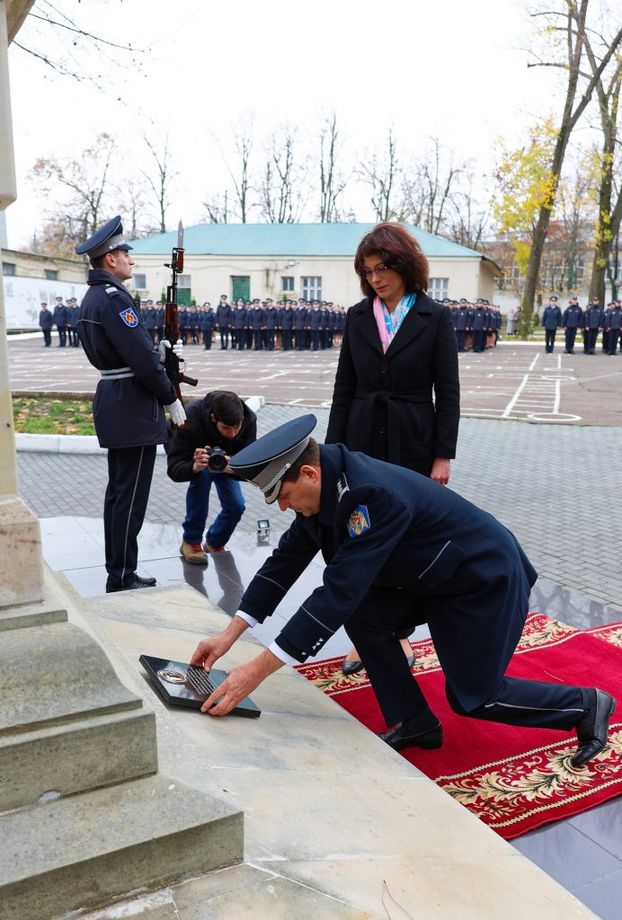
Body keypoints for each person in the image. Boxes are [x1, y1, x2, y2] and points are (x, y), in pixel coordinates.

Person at [190, 415, 616, 770]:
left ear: (308, 473)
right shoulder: (321, 491)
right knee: (364, 616)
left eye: (281, 496)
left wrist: (257, 670)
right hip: (428, 577)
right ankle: (414, 722)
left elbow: (338, 589)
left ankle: (585, 705)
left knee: (474, 698)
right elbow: (282, 565)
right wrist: (228, 636)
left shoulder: (372, 495)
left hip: (481, 580)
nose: (282, 508)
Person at [325, 221, 460, 675]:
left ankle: (399, 634)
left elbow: (449, 390)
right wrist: (332, 453)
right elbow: (344, 387)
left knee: (404, 539)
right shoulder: (358, 316)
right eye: (367, 271)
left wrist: (443, 455)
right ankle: (366, 636)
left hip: (413, 439)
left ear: (404, 265)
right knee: (361, 536)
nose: (375, 279)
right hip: (361, 437)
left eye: (382, 268)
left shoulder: (434, 317)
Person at [76, 215, 186, 592]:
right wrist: (170, 397)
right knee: (130, 497)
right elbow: (139, 358)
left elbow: (131, 350)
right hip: (131, 407)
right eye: (125, 253)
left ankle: (120, 569)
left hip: (118, 402)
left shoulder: (94, 297)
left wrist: (162, 350)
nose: (130, 260)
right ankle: (122, 575)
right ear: (110, 258)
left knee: (120, 493)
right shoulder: (113, 298)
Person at [167, 390, 257, 564]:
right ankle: (191, 541)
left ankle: (215, 541)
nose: (232, 434)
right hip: (194, 455)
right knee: (201, 484)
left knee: (236, 504)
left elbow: (251, 467)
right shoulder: (190, 417)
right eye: (226, 428)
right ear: (214, 418)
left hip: (227, 461)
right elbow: (174, 469)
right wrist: (194, 467)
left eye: (236, 428)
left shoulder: (248, 419)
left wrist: (233, 468)